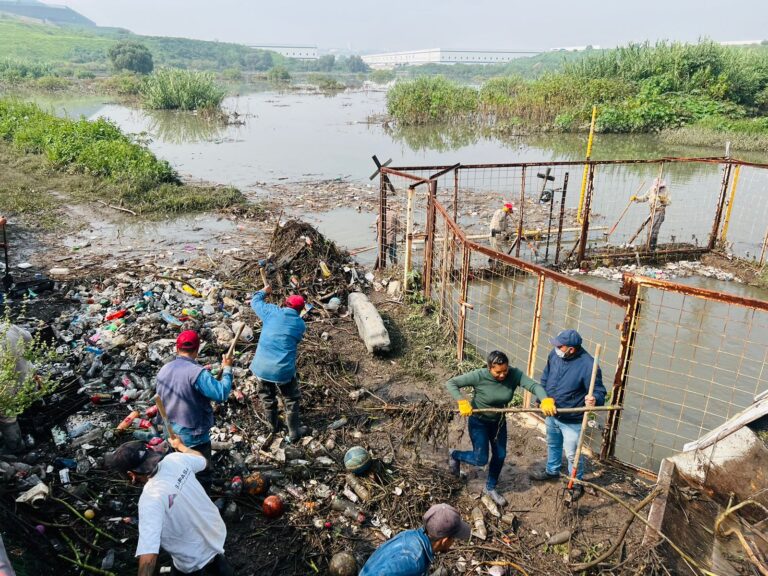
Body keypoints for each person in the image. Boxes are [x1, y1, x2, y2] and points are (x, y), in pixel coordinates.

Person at [105, 436, 233, 576]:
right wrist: (181, 447)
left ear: (131, 475)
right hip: (215, 534)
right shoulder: (175, 459)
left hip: (191, 558)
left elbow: (149, 555)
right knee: (217, 563)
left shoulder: (150, 498)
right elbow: (203, 461)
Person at [446, 350, 556, 506]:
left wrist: (545, 400)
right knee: (480, 458)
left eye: (505, 370)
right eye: (498, 372)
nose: (503, 375)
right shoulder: (479, 375)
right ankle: (455, 455)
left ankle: (490, 487)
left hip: (498, 422)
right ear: (489, 367)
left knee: (500, 455)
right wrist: (461, 401)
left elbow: (534, 386)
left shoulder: (514, 374)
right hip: (479, 421)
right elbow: (451, 383)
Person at [529, 329, 606, 500]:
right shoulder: (555, 355)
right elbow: (545, 377)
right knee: (553, 444)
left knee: (573, 453)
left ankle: (576, 481)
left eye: (560, 346)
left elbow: (600, 391)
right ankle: (552, 470)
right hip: (552, 413)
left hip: (572, 419)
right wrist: (540, 398)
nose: (556, 348)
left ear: (571, 349)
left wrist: (595, 399)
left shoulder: (588, 366)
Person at [156, 330, 232, 490]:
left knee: (178, 470)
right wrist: (227, 369)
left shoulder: (164, 369)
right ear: (197, 350)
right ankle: (202, 504)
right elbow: (221, 393)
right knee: (201, 471)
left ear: (177, 349)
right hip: (193, 434)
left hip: (170, 431)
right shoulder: (197, 373)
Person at [249, 284, 307, 442]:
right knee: (291, 399)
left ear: (285, 303)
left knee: (267, 397)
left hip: (261, 368)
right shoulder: (300, 325)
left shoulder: (271, 312)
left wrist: (264, 291)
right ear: (301, 310)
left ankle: (273, 426)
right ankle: (294, 432)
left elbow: (254, 302)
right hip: (282, 370)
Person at [359, 503, 470, 576]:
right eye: (454, 539)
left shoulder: (409, 535)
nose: (453, 543)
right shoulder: (416, 563)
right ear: (444, 541)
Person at [0, 322, 33, 455]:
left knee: (6, 416)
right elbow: (29, 339)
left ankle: (15, 447)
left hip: (7, 389)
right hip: (27, 377)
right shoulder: (7, 327)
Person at [631, 178, 671, 250]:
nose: (658, 187)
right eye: (657, 186)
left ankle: (652, 248)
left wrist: (663, 200)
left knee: (654, 231)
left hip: (660, 212)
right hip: (652, 211)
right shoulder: (652, 189)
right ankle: (648, 246)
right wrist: (636, 199)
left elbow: (669, 202)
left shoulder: (666, 190)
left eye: (660, 186)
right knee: (649, 230)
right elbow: (645, 197)